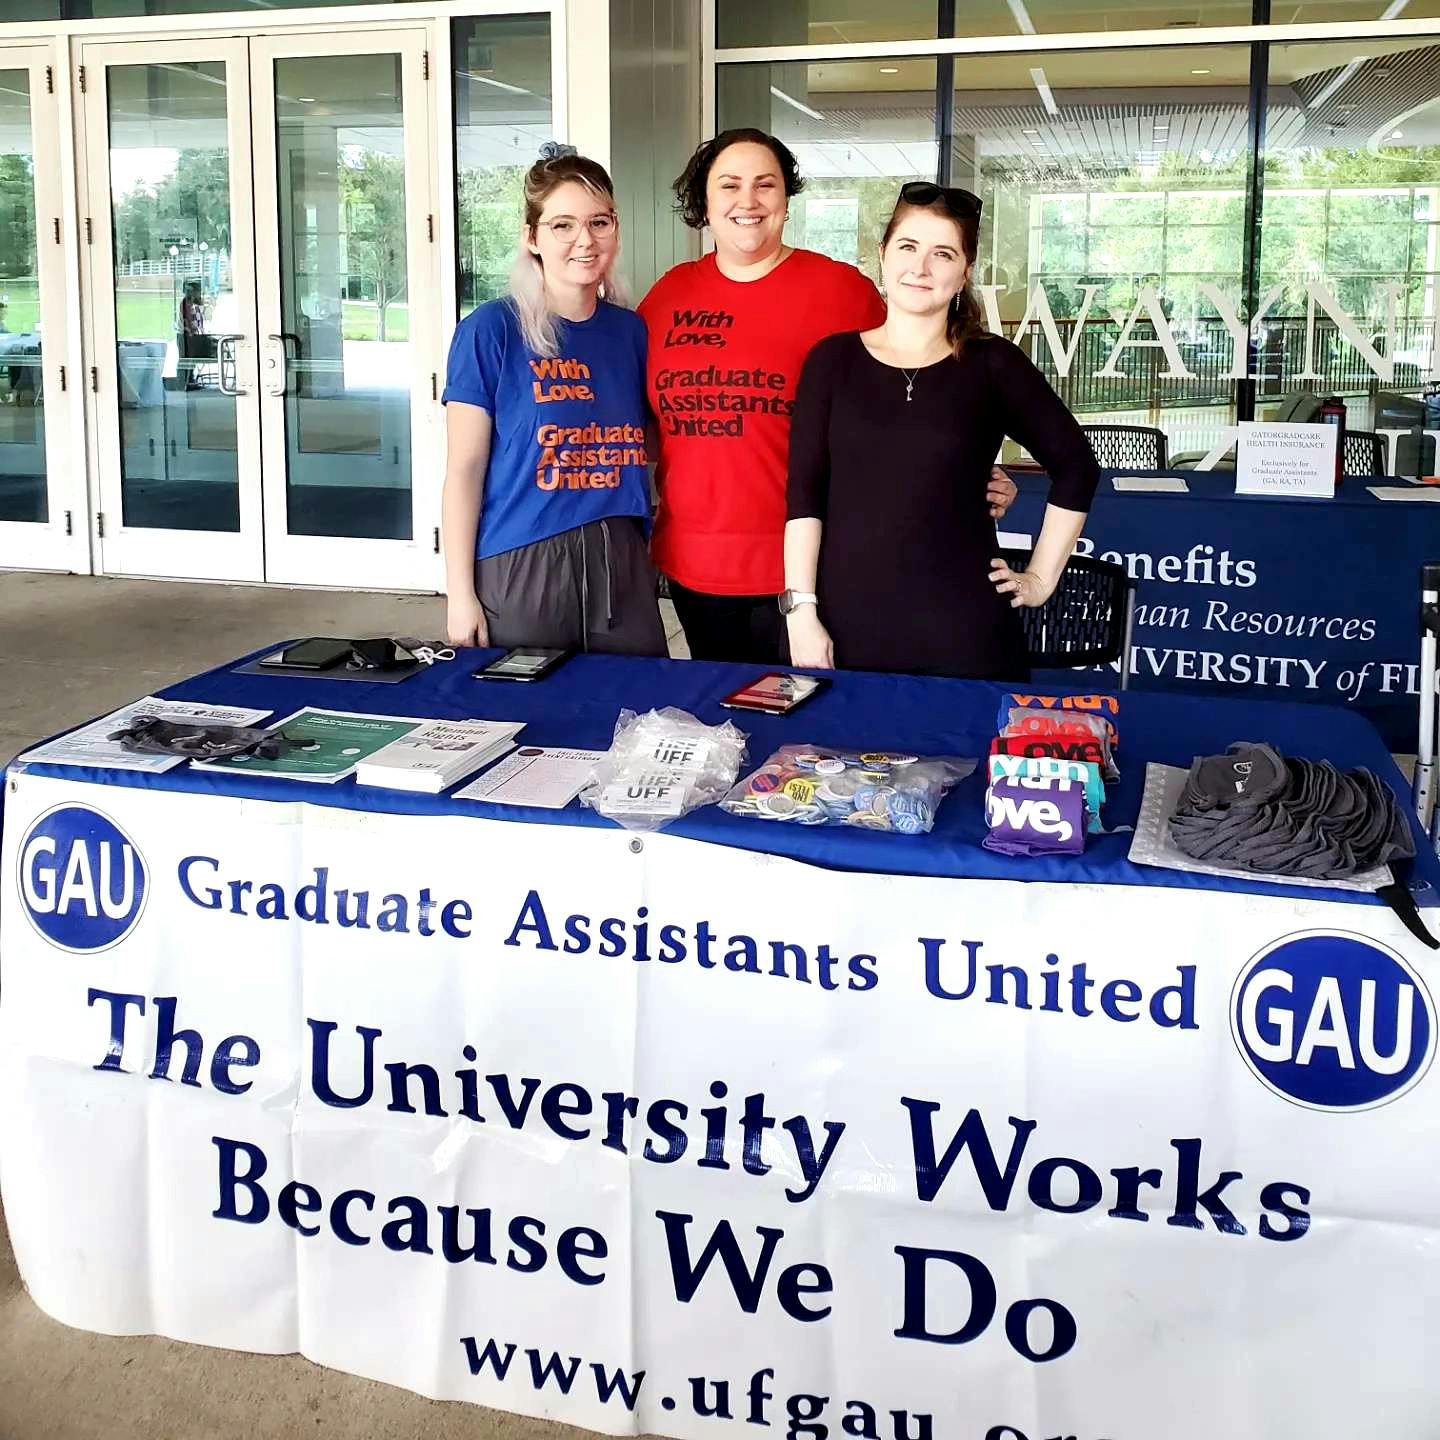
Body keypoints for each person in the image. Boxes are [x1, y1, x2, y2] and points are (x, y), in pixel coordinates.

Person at [638, 129, 1017, 664]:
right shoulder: (666, 297)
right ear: (705, 200)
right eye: (729, 186)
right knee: (723, 722)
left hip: (815, 567)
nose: (748, 202)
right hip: (695, 564)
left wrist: (965, 468)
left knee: (807, 735)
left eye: (765, 185)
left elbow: (917, 392)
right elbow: (644, 422)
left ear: (786, 201)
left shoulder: (841, 291)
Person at [783, 182, 1099, 679]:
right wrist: (801, 611)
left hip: (965, 629)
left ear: (965, 272)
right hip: (846, 625)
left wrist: (1040, 578)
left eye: (943, 253)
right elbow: (804, 496)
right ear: (883, 254)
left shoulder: (993, 365)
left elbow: (1077, 467)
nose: (921, 267)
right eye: (908, 247)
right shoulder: (831, 361)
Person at [441, 147, 665, 656]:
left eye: (599, 222)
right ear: (532, 237)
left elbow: (650, 438)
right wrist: (460, 593)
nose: (584, 240)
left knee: (637, 714)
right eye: (562, 225)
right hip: (522, 561)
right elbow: (464, 470)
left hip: (620, 558)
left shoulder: (630, 331)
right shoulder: (491, 330)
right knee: (525, 719)